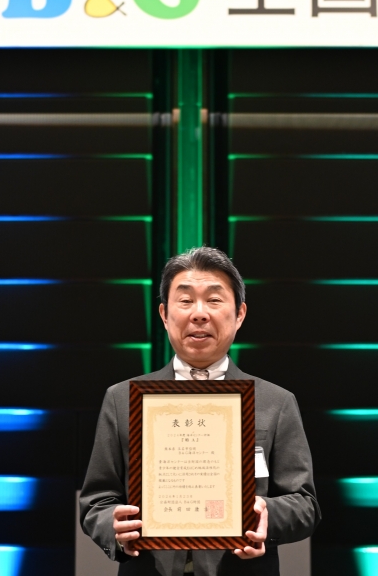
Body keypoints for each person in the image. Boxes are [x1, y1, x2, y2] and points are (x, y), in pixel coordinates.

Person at [80, 247, 321, 576]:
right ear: (164, 315)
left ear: (239, 314)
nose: (199, 313)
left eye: (214, 299)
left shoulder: (275, 402)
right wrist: (114, 526)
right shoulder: (123, 399)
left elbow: (305, 504)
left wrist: (266, 513)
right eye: (185, 300)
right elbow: (96, 500)